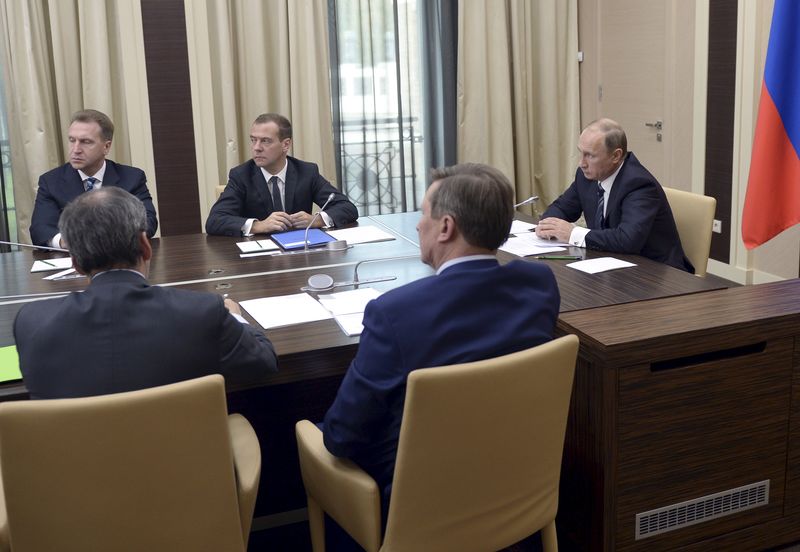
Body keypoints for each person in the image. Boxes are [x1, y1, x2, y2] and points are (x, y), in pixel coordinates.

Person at [321, 163, 560, 521]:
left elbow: (342, 436)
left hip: (419, 505)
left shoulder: (394, 313)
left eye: (423, 213)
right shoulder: (538, 284)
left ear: (446, 227)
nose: (419, 224)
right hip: (516, 480)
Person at [14, 187, 277, 399]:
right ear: (145, 246)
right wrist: (235, 317)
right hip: (188, 463)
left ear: (75, 262)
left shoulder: (32, 322)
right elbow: (263, 363)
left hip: (75, 464)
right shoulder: (203, 312)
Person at [535, 118, 693, 272]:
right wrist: (548, 226)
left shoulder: (639, 184)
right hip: (611, 265)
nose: (581, 163)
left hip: (657, 273)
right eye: (580, 153)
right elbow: (562, 208)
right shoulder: (586, 175)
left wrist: (573, 233)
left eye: (590, 155)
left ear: (616, 156)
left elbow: (627, 239)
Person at [205, 113, 358, 236]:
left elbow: (347, 208)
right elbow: (215, 220)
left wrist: (316, 220)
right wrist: (259, 225)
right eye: (253, 140)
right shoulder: (241, 176)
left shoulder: (306, 171)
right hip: (258, 259)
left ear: (286, 144)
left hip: (300, 252)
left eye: (265, 141)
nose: (256, 148)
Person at [29, 109, 158, 248]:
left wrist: (104, 239)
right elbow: (40, 230)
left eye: (86, 142)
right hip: (72, 260)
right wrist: (65, 241)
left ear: (106, 147)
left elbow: (148, 222)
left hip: (120, 258)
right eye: (72, 140)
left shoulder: (132, 178)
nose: (76, 149)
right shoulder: (50, 181)